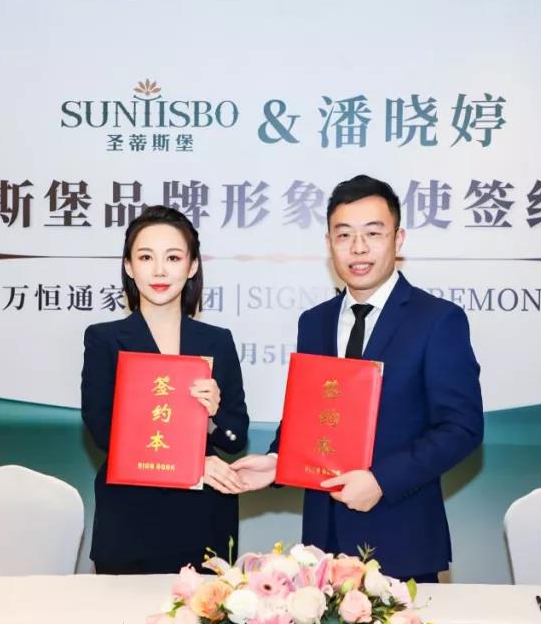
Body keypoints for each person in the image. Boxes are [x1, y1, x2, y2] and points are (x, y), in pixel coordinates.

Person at [233, 175, 484, 582]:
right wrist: (278, 463)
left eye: (373, 233)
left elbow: (462, 428)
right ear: (329, 243)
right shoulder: (314, 322)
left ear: (398, 239)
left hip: (401, 541)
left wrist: (381, 481)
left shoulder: (437, 320)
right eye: (344, 234)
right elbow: (311, 415)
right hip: (322, 547)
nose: (358, 247)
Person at [81, 205, 249, 574]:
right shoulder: (105, 340)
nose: (159, 270)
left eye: (173, 257)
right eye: (146, 257)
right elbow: (104, 434)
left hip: (204, 521)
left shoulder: (217, 341)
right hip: (130, 521)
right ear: (129, 266)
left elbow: (236, 438)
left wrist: (212, 417)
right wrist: (191, 465)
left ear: (192, 266)